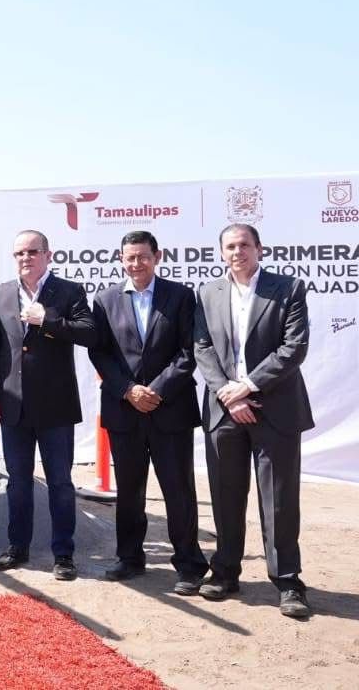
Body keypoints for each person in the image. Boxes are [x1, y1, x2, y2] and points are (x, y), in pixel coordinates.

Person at [194, 223, 313, 618]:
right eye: (230, 246)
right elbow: (202, 346)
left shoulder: (289, 288)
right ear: (221, 252)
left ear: (259, 248)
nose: (237, 251)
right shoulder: (208, 293)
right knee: (226, 496)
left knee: (278, 500)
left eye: (244, 244)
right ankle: (225, 571)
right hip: (225, 409)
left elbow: (293, 347)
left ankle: (288, 581)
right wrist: (229, 394)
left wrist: (246, 386)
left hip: (275, 409)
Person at [87, 230, 208, 594]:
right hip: (125, 412)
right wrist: (128, 391)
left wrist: (155, 390)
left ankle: (189, 565)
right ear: (121, 260)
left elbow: (189, 352)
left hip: (169, 410)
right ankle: (129, 558)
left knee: (179, 490)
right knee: (129, 492)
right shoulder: (105, 300)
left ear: (158, 256)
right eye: (129, 257)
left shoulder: (181, 296)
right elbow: (100, 352)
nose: (136, 263)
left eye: (142, 256)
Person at [0, 229, 96, 580]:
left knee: (60, 482)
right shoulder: (0, 294)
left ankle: (63, 554)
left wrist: (47, 320)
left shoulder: (69, 291)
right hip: (12, 405)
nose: (26, 258)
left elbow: (88, 333)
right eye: (19, 253)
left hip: (55, 407)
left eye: (33, 251)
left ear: (49, 255)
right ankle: (18, 547)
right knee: (18, 481)